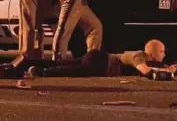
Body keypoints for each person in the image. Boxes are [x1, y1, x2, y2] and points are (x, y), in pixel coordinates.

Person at [27, 39, 177, 81]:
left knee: (65, 64)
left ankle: (31, 63)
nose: (164, 54)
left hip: (99, 58)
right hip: (100, 63)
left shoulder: (146, 59)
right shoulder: (138, 57)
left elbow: (153, 68)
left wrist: (167, 68)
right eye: (162, 51)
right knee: (73, 70)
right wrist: (168, 73)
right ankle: (41, 71)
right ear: (153, 53)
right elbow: (148, 73)